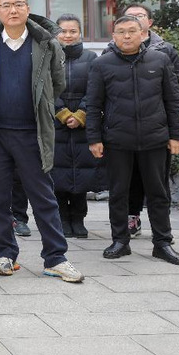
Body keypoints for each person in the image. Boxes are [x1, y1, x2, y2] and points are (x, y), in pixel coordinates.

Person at [0, 0, 84, 283]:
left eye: (19, 4)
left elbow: (57, 84)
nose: (13, 10)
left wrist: (41, 106)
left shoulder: (46, 43)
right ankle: (6, 254)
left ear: (27, 8)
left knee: (43, 197)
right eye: (6, 5)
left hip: (32, 133)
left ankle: (56, 258)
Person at [86, 15, 179, 266]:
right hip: (117, 140)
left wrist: (176, 135)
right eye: (121, 32)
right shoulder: (102, 64)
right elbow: (93, 105)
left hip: (155, 139)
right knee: (118, 193)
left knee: (158, 193)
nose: (127, 36)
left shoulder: (160, 60)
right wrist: (94, 138)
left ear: (143, 34)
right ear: (113, 36)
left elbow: (173, 101)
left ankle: (162, 242)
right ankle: (120, 241)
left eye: (132, 31)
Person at [118, 4, 179, 238]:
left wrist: (174, 131)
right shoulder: (112, 51)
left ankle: (162, 232)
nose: (135, 20)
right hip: (123, 129)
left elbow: (175, 91)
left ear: (149, 22)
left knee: (158, 182)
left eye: (140, 16)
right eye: (130, 16)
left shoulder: (166, 51)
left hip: (156, 128)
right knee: (128, 179)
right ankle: (131, 218)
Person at [50, 14, 100, 239]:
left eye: (73, 31)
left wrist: (81, 114)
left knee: (82, 173)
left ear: (80, 33)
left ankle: (78, 219)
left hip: (84, 124)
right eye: (63, 31)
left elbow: (96, 90)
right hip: (55, 123)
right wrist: (61, 112)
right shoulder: (48, 57)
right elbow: (45, 88)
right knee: (57, 173)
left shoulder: (91, 58)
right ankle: (62, 218)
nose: (68, 35)